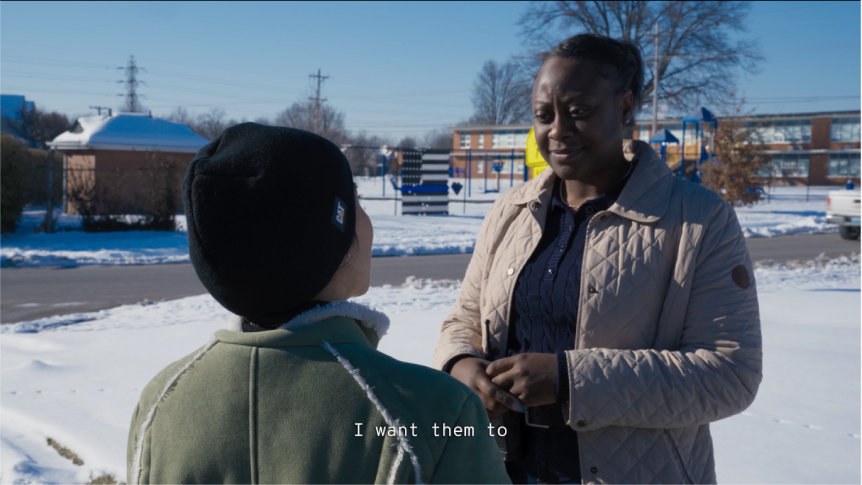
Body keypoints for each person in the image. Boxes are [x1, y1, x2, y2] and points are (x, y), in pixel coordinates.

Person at [433, 33, 762, 484]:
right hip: (499, 470)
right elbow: (463, 320)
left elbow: (729, 374)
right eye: (544, 115)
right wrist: (460, 364)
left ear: (624, 107)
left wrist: (568, 380)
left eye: (579, 111)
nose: (558, 130)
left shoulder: (699, 219)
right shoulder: (510, 210)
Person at [127, 123, 511, 484]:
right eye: (356, 202)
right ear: (336, 238)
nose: (368, 221)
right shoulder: (435, 410)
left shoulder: (158, 403)